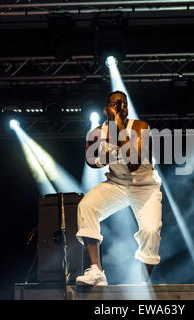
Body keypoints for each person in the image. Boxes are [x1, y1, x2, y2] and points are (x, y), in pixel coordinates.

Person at [75, 91, 163, 286]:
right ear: (105, 109)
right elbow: (91, 162)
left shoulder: (140, 127)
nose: (119, 108)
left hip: (145, 187)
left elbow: (134, 163)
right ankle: (96, 271)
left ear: (127, 109)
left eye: (122, 104)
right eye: (115, 104)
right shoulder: (97, 132)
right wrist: (101, 159)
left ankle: (143, 285)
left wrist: (119, 127)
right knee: (86, 206)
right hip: (117, 184)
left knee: (150, 230)